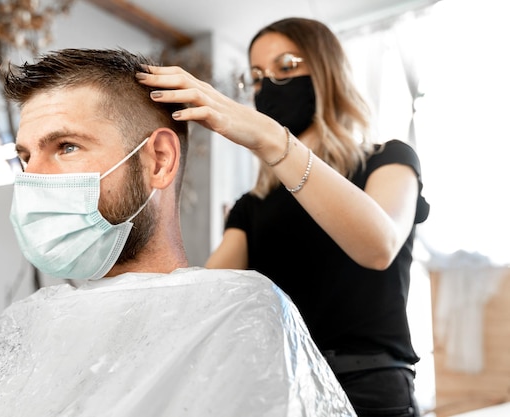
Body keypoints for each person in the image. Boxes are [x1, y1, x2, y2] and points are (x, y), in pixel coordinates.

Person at [0, 48, 356, 416]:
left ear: (158, 160)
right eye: (24, 157)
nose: (33, 178)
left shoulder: (233, 315)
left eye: (66, 146)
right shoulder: (20, 330)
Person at [136, 17, 430, 417]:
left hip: (368, 386)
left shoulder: (389, 160)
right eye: (257, 76)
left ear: (327, 73)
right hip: (282, 386)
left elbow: (378, 246)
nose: (268, 85)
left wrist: (271, 138)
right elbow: (206, 298)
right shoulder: (251, 206)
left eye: (286, 67)